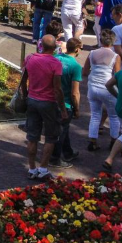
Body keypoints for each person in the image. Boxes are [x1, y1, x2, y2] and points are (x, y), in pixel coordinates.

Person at [19, 34, 66, 181]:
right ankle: (43, 168)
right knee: (51, 137)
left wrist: (27, 95)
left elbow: (23, 80)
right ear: (54, 47)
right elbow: (57, 89)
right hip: (48, 103)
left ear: (41, 46)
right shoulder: (56, 64)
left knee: (32, 137)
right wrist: (63, 109)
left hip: (32, 100)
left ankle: (32, 168)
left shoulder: (30, 58)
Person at [83, 29, 121, 152]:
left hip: (93, 87)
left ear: (100, 40)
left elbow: (84, 71)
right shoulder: (115, 56)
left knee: (95, 115)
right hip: (107, 88)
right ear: (113, 41)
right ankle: (114, 141)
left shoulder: (92, 53)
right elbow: (118, 75)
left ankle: (92, 141)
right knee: (114, 116)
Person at [49, 38, 82, 168]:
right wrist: (77, 109)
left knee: (64, 128)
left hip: (50, 99)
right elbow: (75, 92)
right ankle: (55, 158)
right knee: (61, 131)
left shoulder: (55, 58)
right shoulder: (75, 66)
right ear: (77, 49)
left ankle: (68, 152)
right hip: (65, 103)